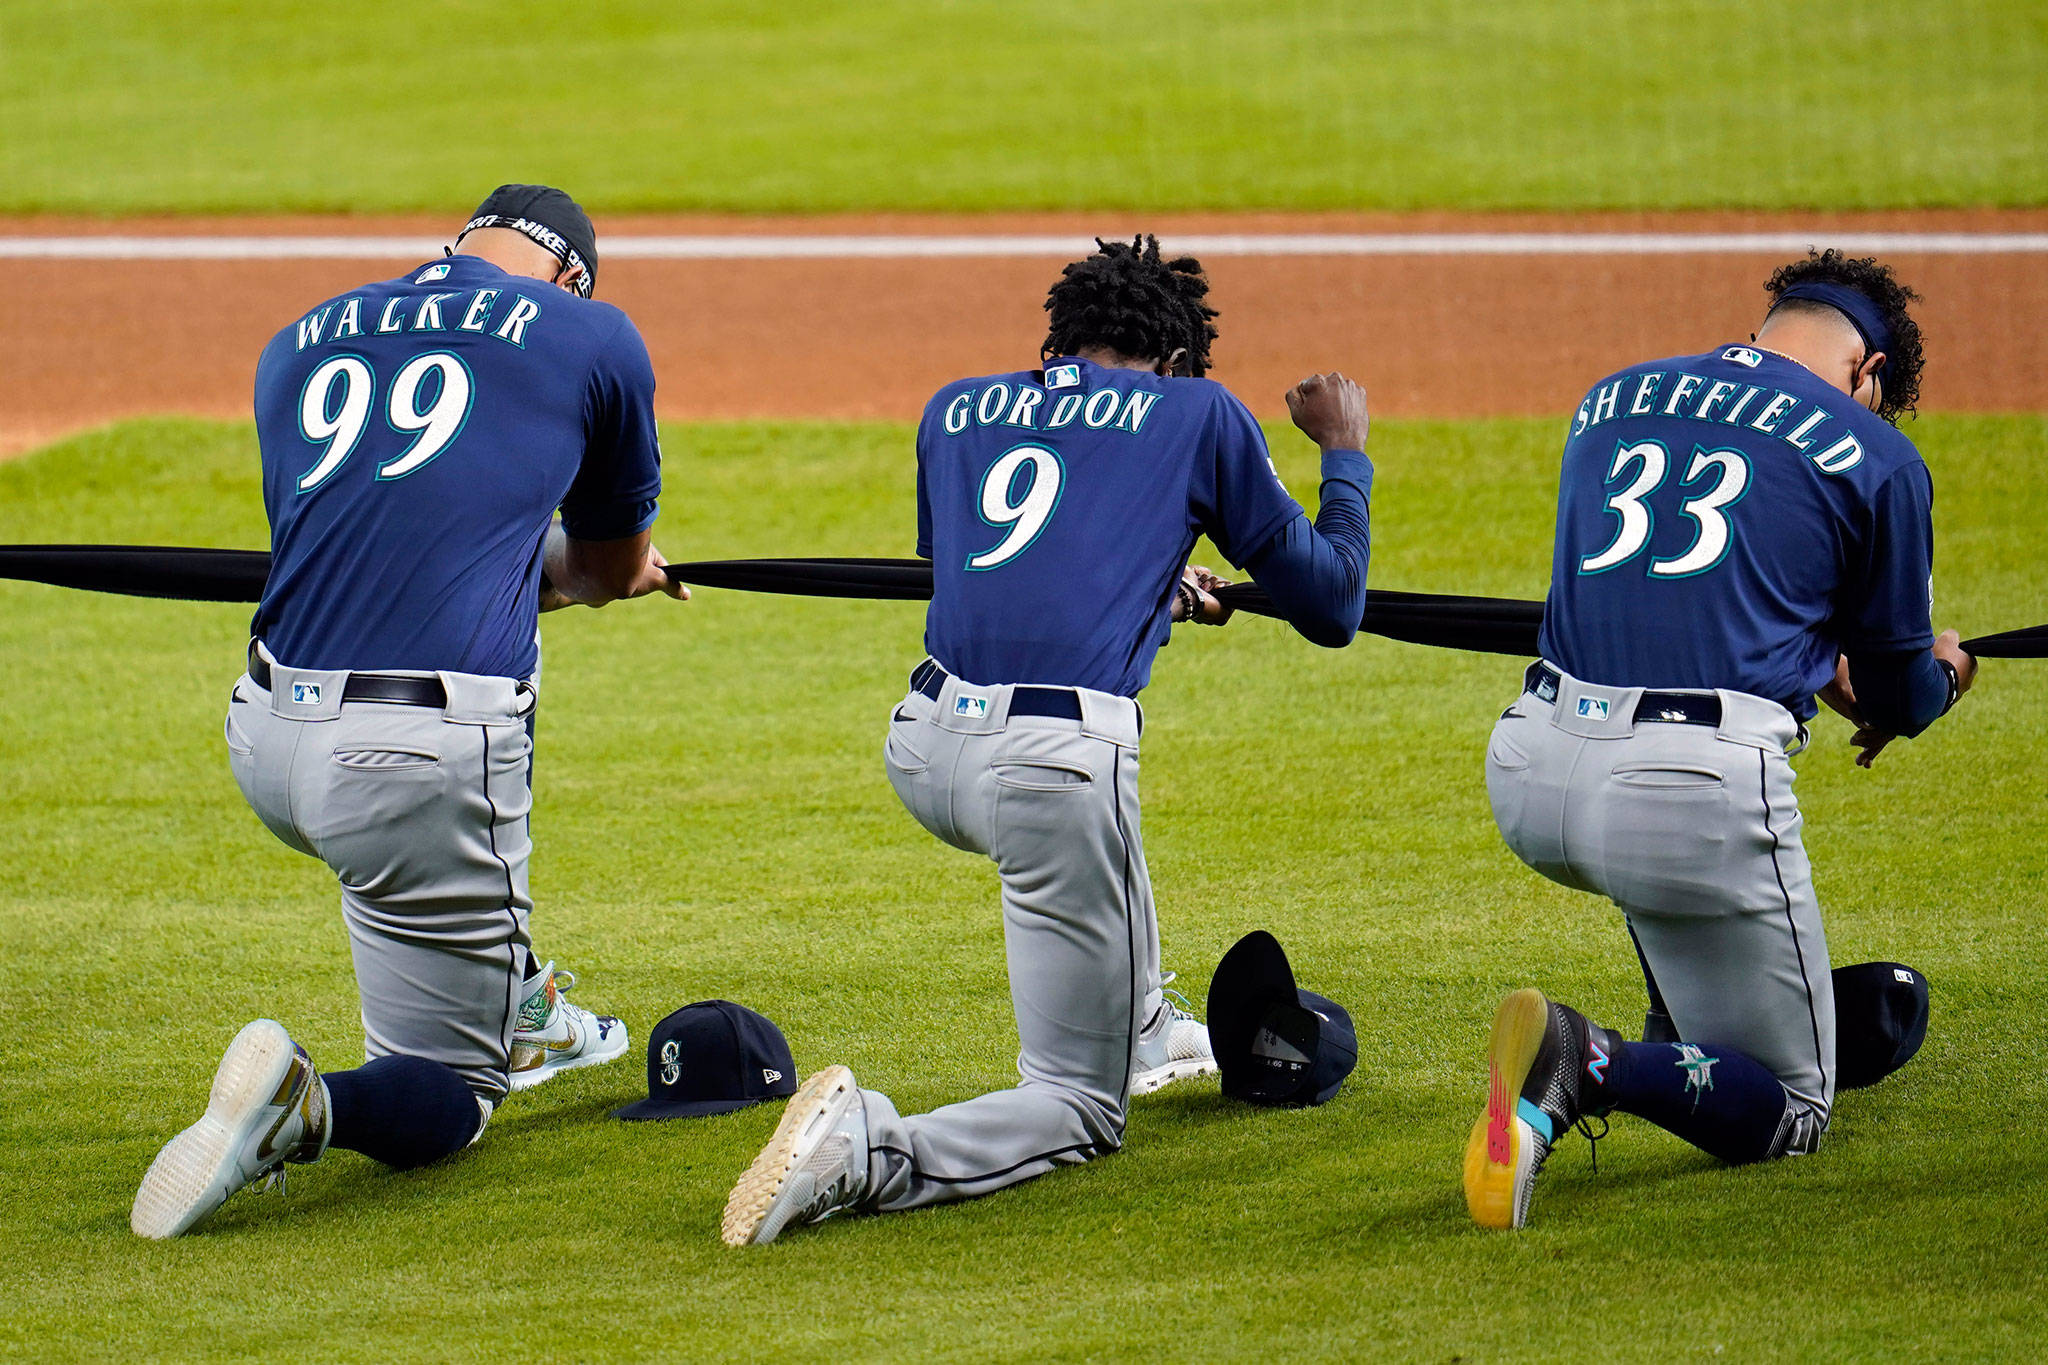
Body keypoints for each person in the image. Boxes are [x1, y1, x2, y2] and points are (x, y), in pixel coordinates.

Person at [722, 235, 1377, 1245]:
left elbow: (992, 572)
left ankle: (1147, 1027)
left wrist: (1153, 584)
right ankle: (870, 1152)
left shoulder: (955, 406)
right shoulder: (1197, 411)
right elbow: (1330, 603)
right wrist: (1343, 454)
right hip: (1047, 773)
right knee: (1079, 1105)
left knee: (1096, 828)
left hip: (925, 746)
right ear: (1173, 360)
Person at [132, 184, 687, 1239]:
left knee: (431, 891)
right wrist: (619, 573)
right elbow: (604, 571)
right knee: (450, 1095)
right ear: (570, 275)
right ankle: (309, 1105)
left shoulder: (299, 338)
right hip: (409, 766)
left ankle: (525, 999)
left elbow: (370, 548)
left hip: (265, 731)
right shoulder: (591, 333)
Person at [1465, 249, 1977, 1230]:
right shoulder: (1874, 456)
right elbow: (1896, 692)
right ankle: (1589, 1057)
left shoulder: (1606, 400)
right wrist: (1947, 670)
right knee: (1791, 1108)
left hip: (1530, 767)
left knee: (1686, 920)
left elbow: (1667, 593)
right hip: (1684, 793)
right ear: (1864, 371)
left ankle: (1687, 1033)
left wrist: (1797, 651)